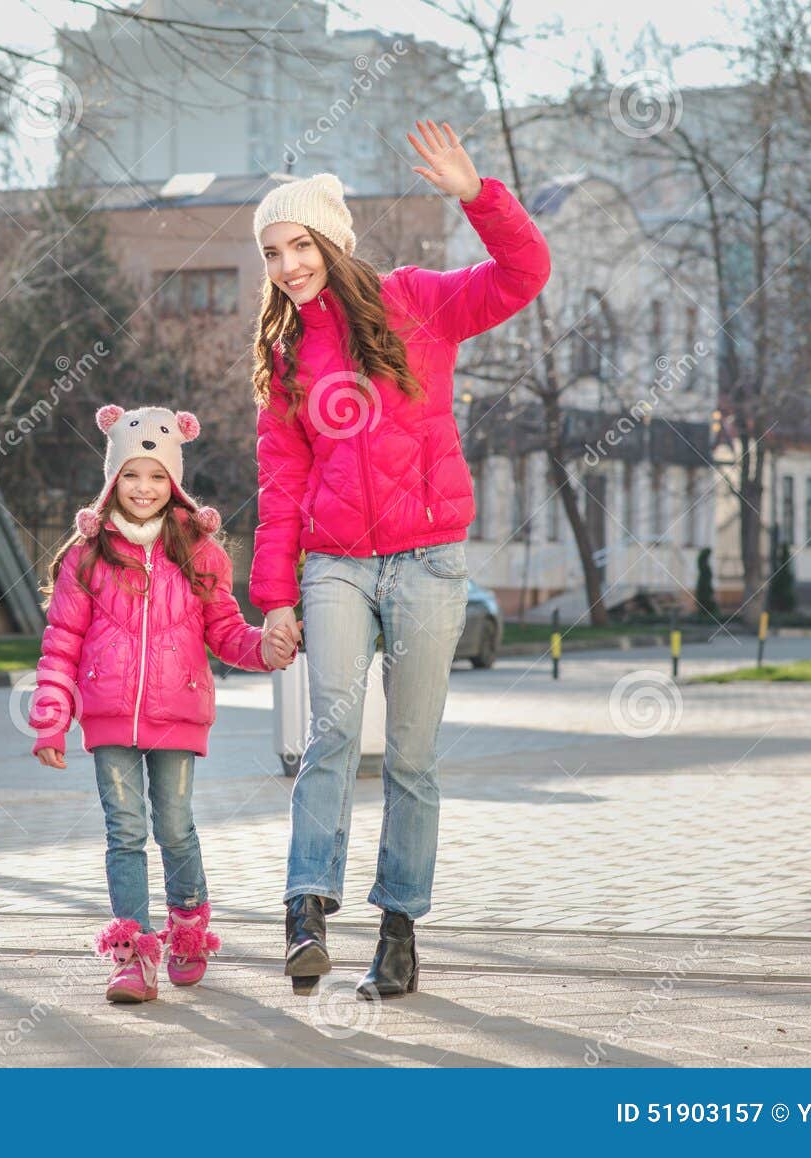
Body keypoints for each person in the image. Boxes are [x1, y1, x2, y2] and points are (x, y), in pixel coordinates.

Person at [250, 120, 551, 998]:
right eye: (272, 253)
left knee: (412, 757)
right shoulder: (287, 354)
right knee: (331, 735)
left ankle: (398, 932)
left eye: (298, 245)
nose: (287, 266)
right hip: (335, 563)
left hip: (427, 561)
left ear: (332, 242)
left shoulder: (417, 301)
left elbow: (523, 276)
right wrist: (276, 596)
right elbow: (281, 484)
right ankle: (305, 909)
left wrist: (477, 196)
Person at [30, 404, 296, 1004]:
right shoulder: (87, 555)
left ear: (173, 481)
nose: (143, 488)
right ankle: (131, 956)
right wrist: (51, 718)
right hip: (107, 718)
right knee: (124, 833)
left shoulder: (198, 552)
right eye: (130, 475)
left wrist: (266, 649)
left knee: (174, 829)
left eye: (155, 476)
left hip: (177, 715)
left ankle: (187, 926)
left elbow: (226, 631)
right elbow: (61, 642)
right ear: (111, 481)